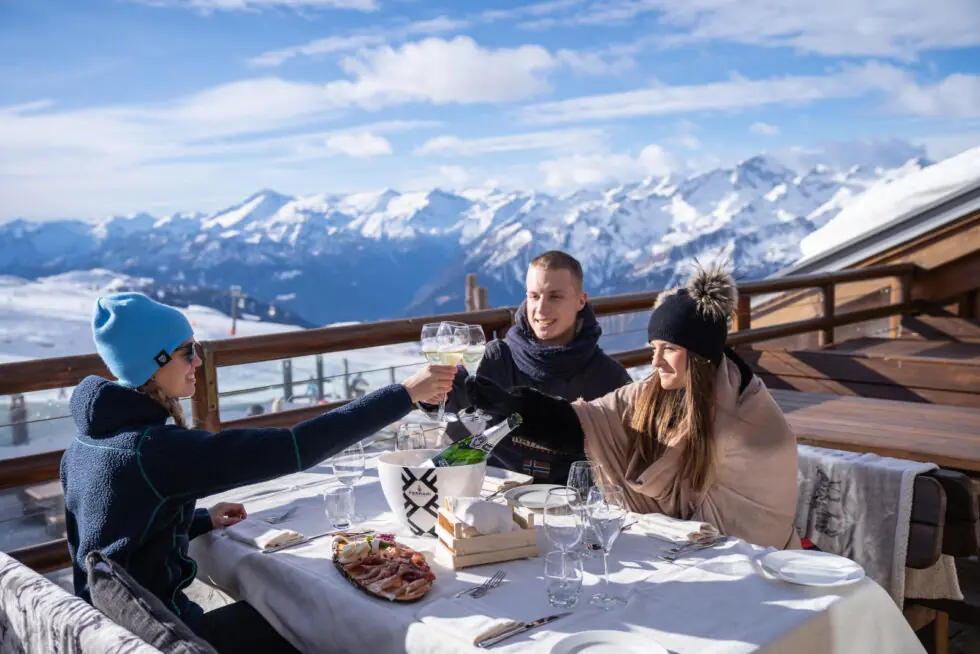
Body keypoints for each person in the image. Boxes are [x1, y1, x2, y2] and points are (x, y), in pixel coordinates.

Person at [60, 292, 456, 653]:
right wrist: (405, 394)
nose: (198, 361)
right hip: (174, 638)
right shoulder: (153, 451)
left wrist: (197, 520)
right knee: (313, 618)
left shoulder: (85, 445)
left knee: (285, 608)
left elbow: (114, 534)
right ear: (156, 362)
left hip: (115, 636)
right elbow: (294, 448)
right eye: (187, 351)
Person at [466, 264, 800, 550]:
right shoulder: (655, 392)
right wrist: (506, 403)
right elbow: (583, 422)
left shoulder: (748, 420)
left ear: (700, 356)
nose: (656, 361)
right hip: (676, 549)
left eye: (669, 349)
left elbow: (755, 523)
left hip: (753, 561)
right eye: (653, 348)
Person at [443, 251, 632, 484]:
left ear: (581, 301)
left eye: (555, 297)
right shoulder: (495, 358)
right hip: (496, 494)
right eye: (534, 296)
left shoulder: (610, 379)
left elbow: (627, 457)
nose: (541, 309)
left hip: (571, 499)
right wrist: (434, 394)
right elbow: (448, 399)